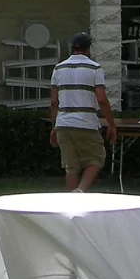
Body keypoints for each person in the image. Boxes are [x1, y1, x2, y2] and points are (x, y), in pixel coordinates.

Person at [48, 32, 118, 192]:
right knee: (96, 159)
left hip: (63, 123)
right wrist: (112, 124)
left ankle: (72, 203)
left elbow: (53, 102)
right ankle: (80, 192)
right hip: (86, 122)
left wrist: (53, 127)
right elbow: (101, 99)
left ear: (72, 48)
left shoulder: (58, 68)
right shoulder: (94, 68)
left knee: (71, 167)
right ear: (88, 49)